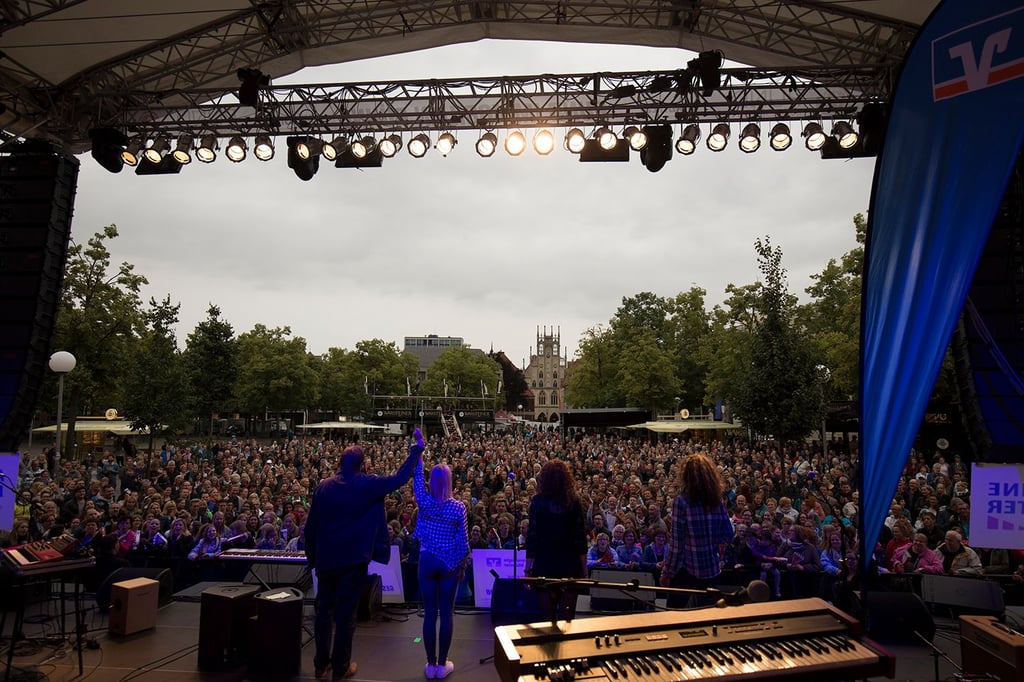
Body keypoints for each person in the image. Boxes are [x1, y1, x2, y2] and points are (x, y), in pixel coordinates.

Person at [305, 433, 422, 681]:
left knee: (324, 612)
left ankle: (319, 665)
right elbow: (400, 478)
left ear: (339, 463)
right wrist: (416, 450)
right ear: (362, 465)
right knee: (346, 614)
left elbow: (311, 526)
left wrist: (311, 557)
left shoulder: (323, 487)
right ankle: (340, 668)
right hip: (352, 561)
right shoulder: (367, 483)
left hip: (326, 559)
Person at [411, 438, 468, 680]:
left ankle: (430, 664)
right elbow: (464, 542)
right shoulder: (458, 508)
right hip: (448, 565)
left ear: (432, 482)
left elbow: (416, 478)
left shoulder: (424, 502)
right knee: (447, 613)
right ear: (450, 482)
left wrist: (419, 451)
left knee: (430, 612)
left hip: (426, 561)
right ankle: (442, 665)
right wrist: (457, 563)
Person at [660, 453, 734, 607]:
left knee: (675, 615)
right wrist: (710, 541)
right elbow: (728, 533)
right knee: (707, 615)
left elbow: (676, 543)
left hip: (686, 569)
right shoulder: (717, 500)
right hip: (711, 568)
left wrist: (667, 572)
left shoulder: (681, 502)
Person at [524, 459, 588, 622]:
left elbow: (532, 537)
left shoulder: (538, 502)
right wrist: (584, 570)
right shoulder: (574, 501)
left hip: (544, 563)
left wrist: (527, 569)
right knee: (568, 620)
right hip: (569, 564)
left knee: (546, 619)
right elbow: (580, 539)